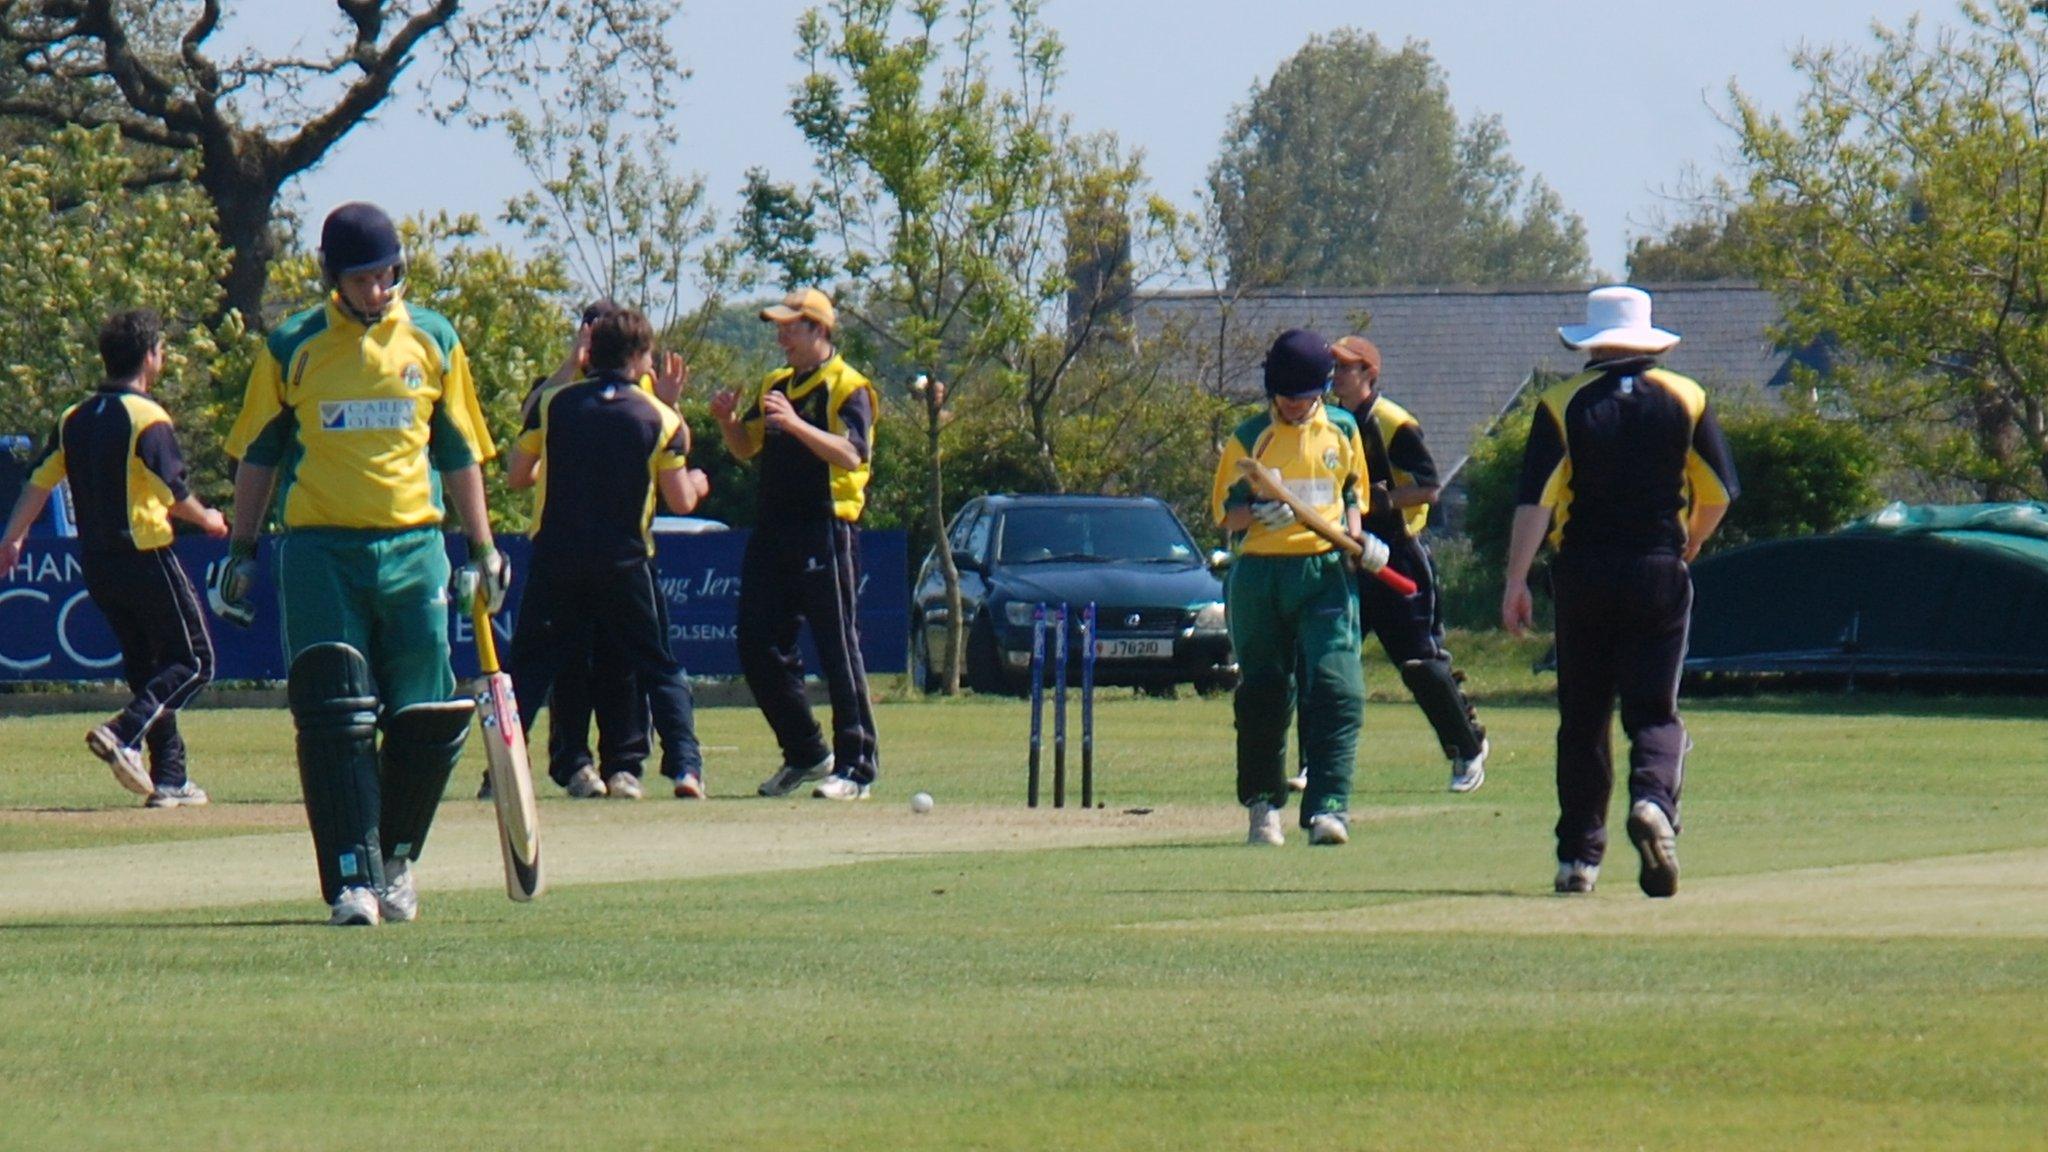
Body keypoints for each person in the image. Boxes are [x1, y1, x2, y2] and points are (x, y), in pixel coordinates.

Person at [209, 201, 508, 927]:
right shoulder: (293, 346)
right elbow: (261, 454)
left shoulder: (433, 338)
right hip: (320, 549)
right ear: (332, 278)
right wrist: (241, 550)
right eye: (365, 278)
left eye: (389, 275)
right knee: (334, 708)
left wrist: (483, 546)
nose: (380, 289)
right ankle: (351, 879)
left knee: (426, 716)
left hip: (414, 546)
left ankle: (396, 859)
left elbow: (460, 451)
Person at [1501, 285, 1738, 898]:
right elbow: (1718, 493)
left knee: (1583, 718)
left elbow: (1537, 499)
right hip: (1658, 566)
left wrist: (1516, 580)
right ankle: (1654, 803)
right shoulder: (1687, 397)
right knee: (1654, 710)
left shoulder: (1561, 403)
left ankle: (1578, 860)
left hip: (1583, 571)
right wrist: (1689, 543)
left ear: (1592, 341)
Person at [0, 309, 226, 807]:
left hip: (98, 563)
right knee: (195, 662)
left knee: (148, 669)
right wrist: (207, 518)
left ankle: (170, 779)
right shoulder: (148, 416)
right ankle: (123, 732)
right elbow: (175, 490)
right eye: (161, 350)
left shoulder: (73, 418)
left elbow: (37, 483)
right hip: (145, 552)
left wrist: (13, 538)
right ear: (150, 356)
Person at [504, 306, 709, 801]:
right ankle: (685, 768)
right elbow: (680, 499)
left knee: (529, 671)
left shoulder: (552, 402)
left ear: (589, 351)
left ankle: (501, 775)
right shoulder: (660, 416)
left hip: (558, 559)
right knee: (658, 666)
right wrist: (700, 481)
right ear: (639, 357)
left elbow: (515, 475)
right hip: (625, 562)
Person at [1210, 329, 1381, 847]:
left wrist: (1360, 541)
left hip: (1325, 573)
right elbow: (1226, 515)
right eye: (1284, 397)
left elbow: (1352, 494)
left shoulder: (1343, 430)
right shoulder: (1249, 437)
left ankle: (1330, 808)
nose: (1293, 406)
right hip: (1261, 575)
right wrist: (1256, 511)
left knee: (1336, 685)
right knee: (1264, 690)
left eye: (1304, 397)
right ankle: (1263, 805)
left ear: (1323, 390)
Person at [709, 287, 880, 801]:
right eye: (778, 327)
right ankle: (806, 752)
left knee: (837, 647)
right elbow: (747, 447)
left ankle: (857, 767)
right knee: (757, 643)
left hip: (825, 526)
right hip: (774, 528)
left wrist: (799, 424)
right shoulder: (777, 384)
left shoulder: (848, 386)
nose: (781, 336)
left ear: (818, 330)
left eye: (790, 327)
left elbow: (852, 454)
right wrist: (726, 422)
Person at [1311, 334, 1489, 793]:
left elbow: (1428, 487)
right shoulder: (1328, 421)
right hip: (1349, 554)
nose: (1337, 376)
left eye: (1346, 368)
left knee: (1419, 663)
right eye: (1333, 367)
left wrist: (1377, 504)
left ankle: (1467, 747)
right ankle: (1318, 761)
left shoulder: (1392, 422)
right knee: (1329, 660)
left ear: (1369, 374)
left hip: (1398, 554)